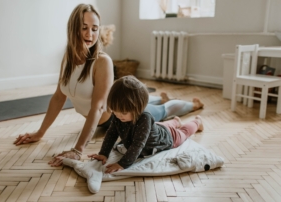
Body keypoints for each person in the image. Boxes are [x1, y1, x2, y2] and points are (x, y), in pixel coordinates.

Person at [13, 4, 203, 166]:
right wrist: (40, 132)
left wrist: (78, 150)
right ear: (73, 28)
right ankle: (158, 100)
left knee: (162, 111)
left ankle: (192, 106)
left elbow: (97, 108)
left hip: (122, 117)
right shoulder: (68, 59)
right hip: (107, 117)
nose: (90, 34)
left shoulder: (102, 61)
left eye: (94, 28)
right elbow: (58, 97)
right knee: (152, 103)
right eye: (84, 27)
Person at [88, 76, 203, 173]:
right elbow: (111, 133)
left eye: (123, 113)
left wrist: (122, 164)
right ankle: (176, 121)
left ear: (138, 108)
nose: (118, 116)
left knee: (183, 132)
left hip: (168, 137)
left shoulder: (145, 118)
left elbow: (138, 144)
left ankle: (197, 122)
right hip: (156, 128)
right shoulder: (119, 116)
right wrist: (104, 153)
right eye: (115, 111)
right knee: (162, 125)